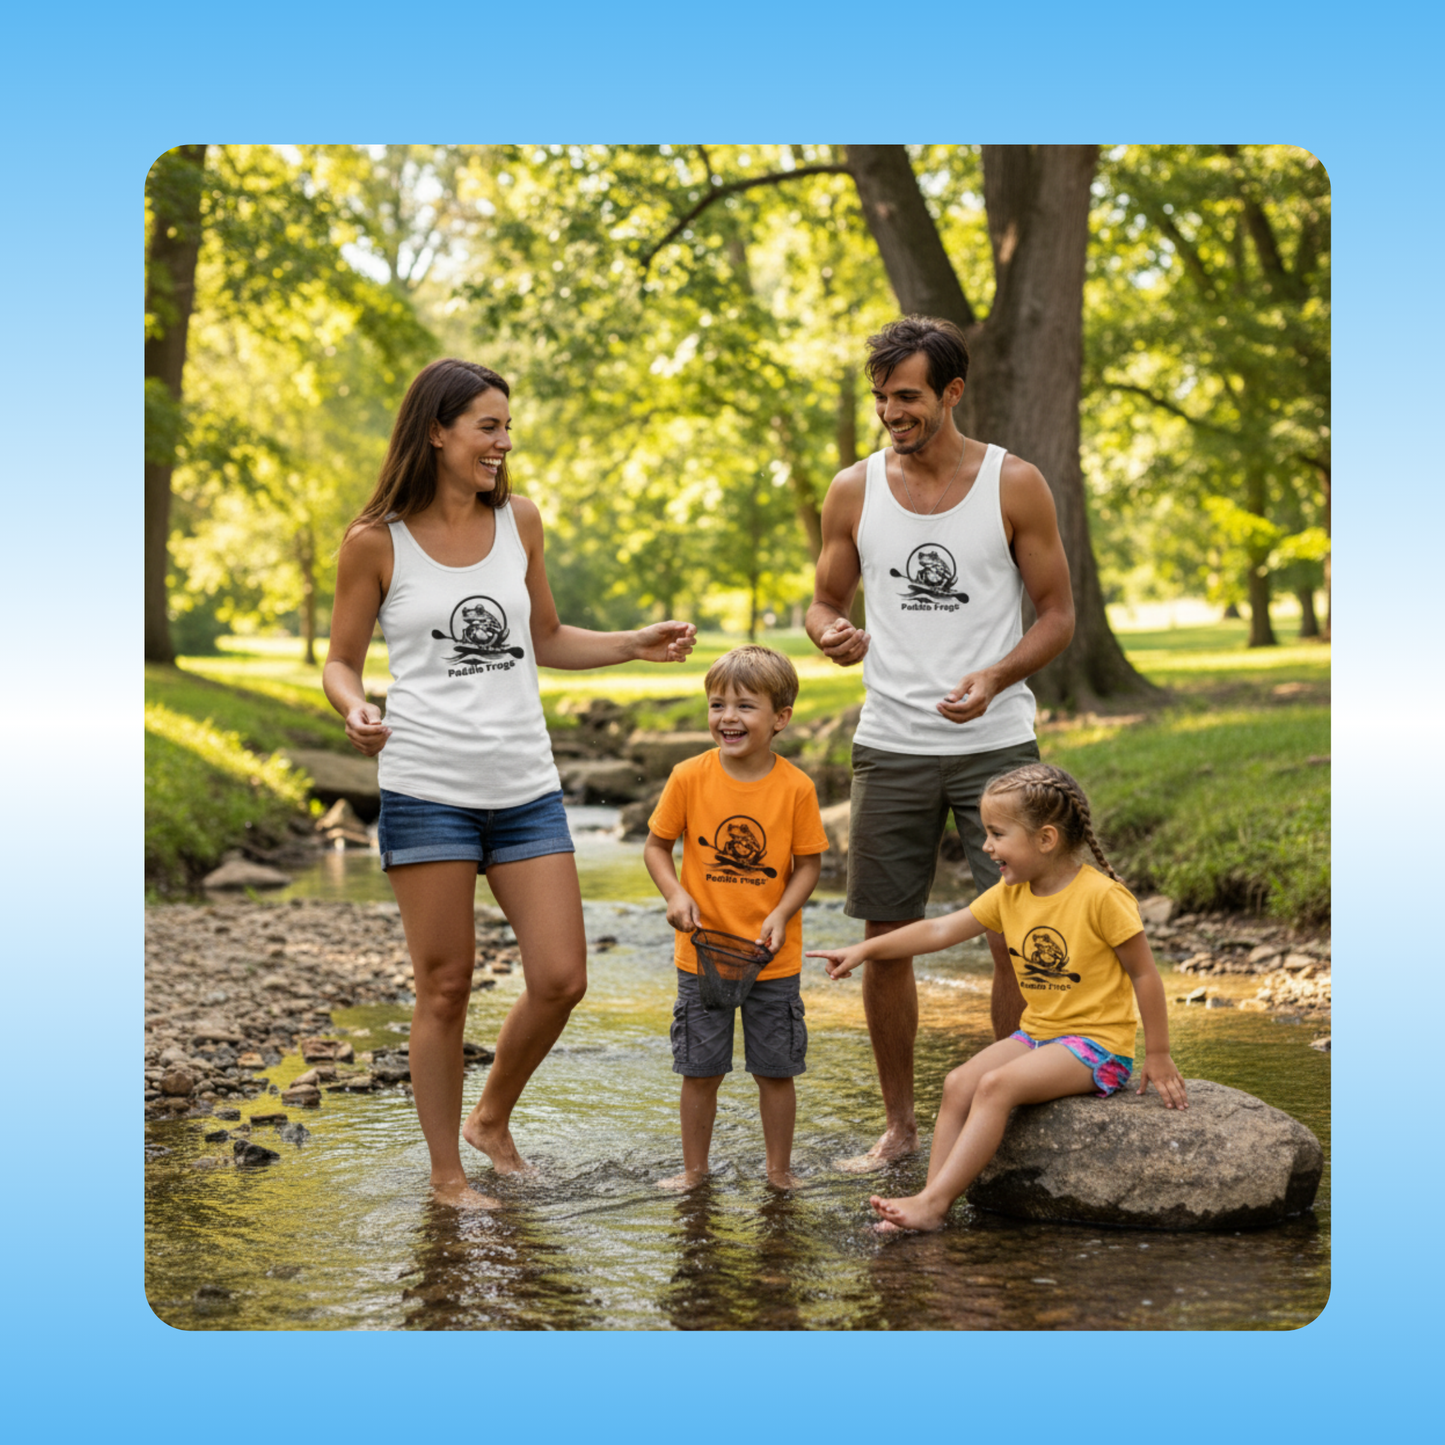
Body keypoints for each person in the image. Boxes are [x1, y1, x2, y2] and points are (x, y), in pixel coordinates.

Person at [323, 357, 696, 1210]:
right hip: (426, 786)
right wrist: (355, 706)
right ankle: (447, 1174)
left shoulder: (520, 520)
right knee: (445, 986)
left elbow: (547, 637)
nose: (503, 441)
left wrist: (632, 642)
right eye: (487, 425)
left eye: (506, 426)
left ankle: (489, 1119)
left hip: (524, 785)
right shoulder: (375, 540)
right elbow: (340, 662)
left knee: (563, 976)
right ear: (436, 431)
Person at [805, 315, 1076, 1172]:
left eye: (908, 396)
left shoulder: (1014, 483)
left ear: (952, 392)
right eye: (881, 397)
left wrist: (994, 677)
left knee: (1012, 928)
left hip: (997, 740)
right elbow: (821, 601)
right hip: (889, 741)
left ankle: (1011, 1103)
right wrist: (829, 633)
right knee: (887, 933)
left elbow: (1059, 616)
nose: (891, 412)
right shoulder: (852, 490)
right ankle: (898, 1126)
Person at [807, 762, 1187, 1232]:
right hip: (1039, 1036)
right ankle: (927, 1198)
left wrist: (1159, 1053)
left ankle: (936, 1203)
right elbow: (940, 929)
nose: (986, 846)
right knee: (958, 1083)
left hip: (1097, 1046)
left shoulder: (1102, 897)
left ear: (1046, 839)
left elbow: (1145, 974)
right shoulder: (1011, 893)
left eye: (997, 834)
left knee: (994, 1087)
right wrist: (864, 949)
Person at [642, 646, 829, 1190]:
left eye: (745, 706)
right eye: (717, 704)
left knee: (777, 1070)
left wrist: (782, 912)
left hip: (771, 958)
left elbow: (809, 863)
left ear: (780, 719)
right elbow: (656, 848)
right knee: (700, 1070)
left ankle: (779, 1173)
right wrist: (674, 894)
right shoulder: (688, 776)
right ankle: (694, 1172)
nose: (728, 717)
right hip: (702, 956)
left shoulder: (796, 787)